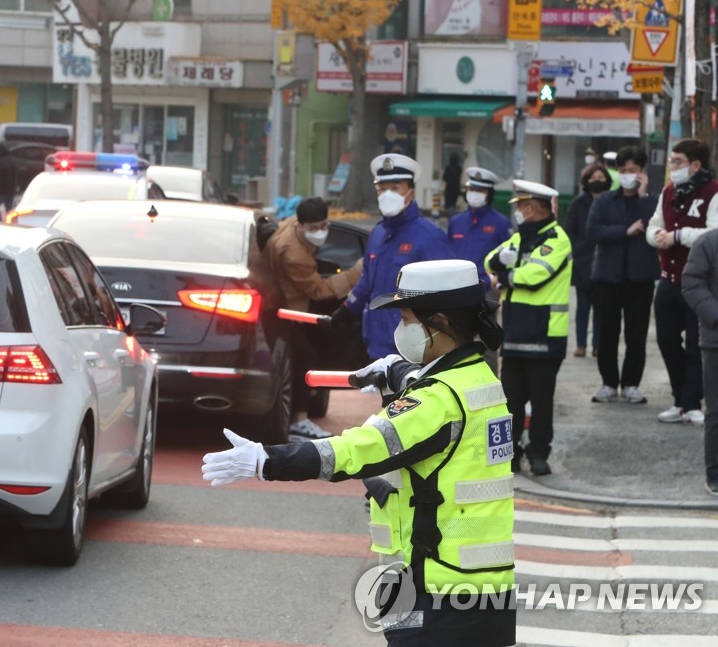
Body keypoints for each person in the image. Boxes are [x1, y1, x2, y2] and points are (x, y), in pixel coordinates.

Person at [202, 260, 516, 646]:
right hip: (484, 589)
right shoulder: (480, 379)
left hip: (439, 592)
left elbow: (354, 450)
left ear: (440, 322)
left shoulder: (437, 401)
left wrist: (266, 461)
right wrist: (397, 372)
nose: (401, 329)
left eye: (406, 319)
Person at [485, 180, 571, 476]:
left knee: (541, 401)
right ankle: (511, 454)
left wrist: (504, 276)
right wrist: (498, 261)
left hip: (545, 335)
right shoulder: (520, 238)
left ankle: (538, 454)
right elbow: (488, 261)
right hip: (516, 334)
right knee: (511, 401)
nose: (518, 211)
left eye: (521, 206)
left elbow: (537, 274)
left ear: (533, 208)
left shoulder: (557, 239)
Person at [332, 154, 453, 360]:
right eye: (382, 189)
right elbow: (367, 281)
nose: (387, 195)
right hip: (376, 346)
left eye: (395, 188)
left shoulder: (429, 237)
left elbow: (447, 294)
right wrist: (347, 309)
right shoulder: (378, 233)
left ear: (410, 193)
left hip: (414, 350)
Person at [264, 197, 362, 442]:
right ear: (300, 226)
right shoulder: (293, 254)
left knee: (310, 351)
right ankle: (299, 421)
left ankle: (301, 415)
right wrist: (356, 273)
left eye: (323, 226)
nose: (320, 233)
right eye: (313, 228)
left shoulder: (291, 225)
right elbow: (318, 290)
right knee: (305, 359)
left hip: (288, 305)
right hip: (285, 310)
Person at [646, 138, 718, 426]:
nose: (672, 167)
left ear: (696, 165)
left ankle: (692, 402)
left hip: (700, 283)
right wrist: (658, 238)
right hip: (669, 279)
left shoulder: (713, 192)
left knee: (694, 345)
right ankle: (679, 400)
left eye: (677, 162)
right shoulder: (669, 191)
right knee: (666, 340)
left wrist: (676, 236)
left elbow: (713, 233)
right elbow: (654, 225)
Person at [585, 146, 659, 404]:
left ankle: (631, 384)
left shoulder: (652, 201)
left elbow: (656, 226)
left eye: (634, 171)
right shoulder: (605, 200)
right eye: (624, 170)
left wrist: (642, 197)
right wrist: (624, 231)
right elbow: (593, 231)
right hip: (608, 277)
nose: (628, 175)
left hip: (641, 277)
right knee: (607, 332)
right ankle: (608, 382)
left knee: (636, 334)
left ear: (642, 172)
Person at [678, 228, 718, 495]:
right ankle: (714, 473)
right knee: (716, 411)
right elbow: (692, 283)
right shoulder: (708, 242)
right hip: (716, 341)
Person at [565, 164, 610, 357]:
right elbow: (569, 232)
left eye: (601, 177)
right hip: (582, 262)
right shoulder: (578, 204)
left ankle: (598, 345)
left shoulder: (610, 201)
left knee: (601, 309)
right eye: (593, 177)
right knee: (582, 308)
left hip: (606, 262)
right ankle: (581, 344)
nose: (597, 181)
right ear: (586, 181)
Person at [448, 167, 512, 291]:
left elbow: (509, 259)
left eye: (480, 190)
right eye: (471, 189)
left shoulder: (501, 223)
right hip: (456, 287)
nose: (474, 193)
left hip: (486, 289)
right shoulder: (456, 222)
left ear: (489, 194)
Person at [0, 143, 19, 222]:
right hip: (11, 188)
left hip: (2, 189)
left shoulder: (0, 162)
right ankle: (11, 221)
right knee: (9, 207)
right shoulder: (12, 160)